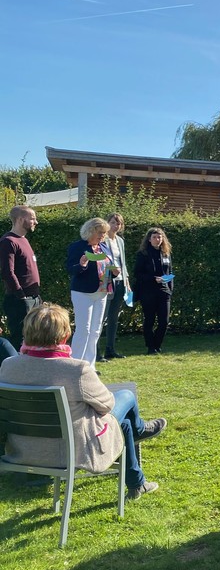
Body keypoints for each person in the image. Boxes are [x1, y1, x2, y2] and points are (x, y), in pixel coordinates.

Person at [0, 303, 165, 500]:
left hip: (22, 451)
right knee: (126, 397)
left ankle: (138, 482)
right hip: (71, 454)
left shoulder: (9, 366)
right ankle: (140, 431)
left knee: (124, 425)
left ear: (27, 331)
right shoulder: (76, 369)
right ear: (64, 334)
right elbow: (107, 405)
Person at [66, 218, 116, 368]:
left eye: (104, 233)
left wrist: (114, 272)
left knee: (95, 330)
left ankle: (90, 366)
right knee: (84, 329)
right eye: (99, 232)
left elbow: (109, 266)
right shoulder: (77, 247)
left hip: (101, 292)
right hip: (83, 292)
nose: (102, 236)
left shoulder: (104, 247)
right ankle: (76, 365)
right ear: (90, 231)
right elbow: (70, 269)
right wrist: (81, 264)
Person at [0, 205, 41, 350]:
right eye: (32, 218)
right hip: (19, 300)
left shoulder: (23, 240)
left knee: (35, 338)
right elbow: (7, 272)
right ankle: (14, 370)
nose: (35, 222)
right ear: (20, 219)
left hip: (33, 298)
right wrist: (21, 296)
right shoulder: (8, 241)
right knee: (20, 339)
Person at [133, 227, 173, 355]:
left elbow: (170, 272)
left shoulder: (166, 254)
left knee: (164, 321)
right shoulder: (143, 254)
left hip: (164, 291)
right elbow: (138, 274)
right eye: (155, 237)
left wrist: (170, 289)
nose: (158, 239)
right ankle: (151, 347)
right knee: (149, 320)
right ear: (149, 239)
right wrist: (152, 279)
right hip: (148, 291)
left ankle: (157, 344)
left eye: (160, 237)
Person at [98, 213, 131, 361]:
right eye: (112, 222)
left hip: (120, 282)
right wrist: (111, 269)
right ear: (107, 223)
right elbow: (101, 260)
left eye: (118, 223)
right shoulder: (101, 240)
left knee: (113, 318)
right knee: (101, 318)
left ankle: (110, 349)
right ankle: (97, 353)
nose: (115, 226)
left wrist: (127, 283)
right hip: (106, 282)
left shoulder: (120, 241)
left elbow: (123, 263)